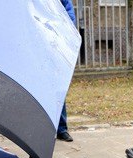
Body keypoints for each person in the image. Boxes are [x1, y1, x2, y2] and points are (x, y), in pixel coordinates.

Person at [57, 0, 76, 142]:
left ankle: (61, 129)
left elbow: (70, 16)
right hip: (36, 46)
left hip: (56, 44)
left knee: (58, 90)